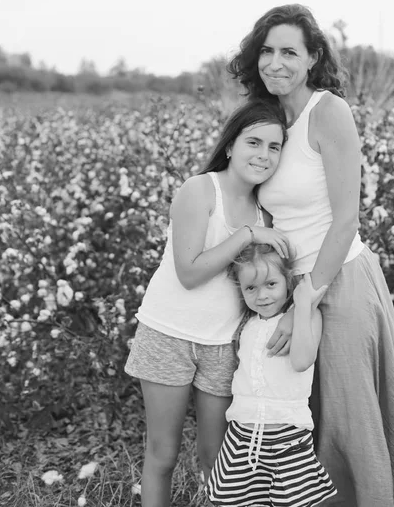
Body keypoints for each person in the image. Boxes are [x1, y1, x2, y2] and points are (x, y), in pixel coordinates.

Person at [227, 4, 394, 507]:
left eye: (289, 51)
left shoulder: (328, 112)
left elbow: (346, 218)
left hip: (339, 281)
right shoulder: (267, 120)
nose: (276, 62)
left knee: (350, 420)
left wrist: (304, 301)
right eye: (266, 51)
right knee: (302, 423)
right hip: (289, 287)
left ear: (313, 57)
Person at [125, 98, 292, 507]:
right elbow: (189, 272)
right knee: (162, 455)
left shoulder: (265, 213)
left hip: (223, 344)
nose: (264, 155)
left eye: (275, 147)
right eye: (254, 142)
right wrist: (246, 235)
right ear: (231, 145)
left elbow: (265, 282)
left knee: (216, 459)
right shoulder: (200, 189)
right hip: (168, 333)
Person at [206, 243, 337, 507]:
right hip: (242, 435)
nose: (262, 296)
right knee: (236, 500)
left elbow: (302, 361)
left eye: (271, 284)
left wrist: (302, 307)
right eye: (250, 288)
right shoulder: (246, 323)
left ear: (288, 282)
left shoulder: (309, 316)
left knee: (290, 501)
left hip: (286, 437)